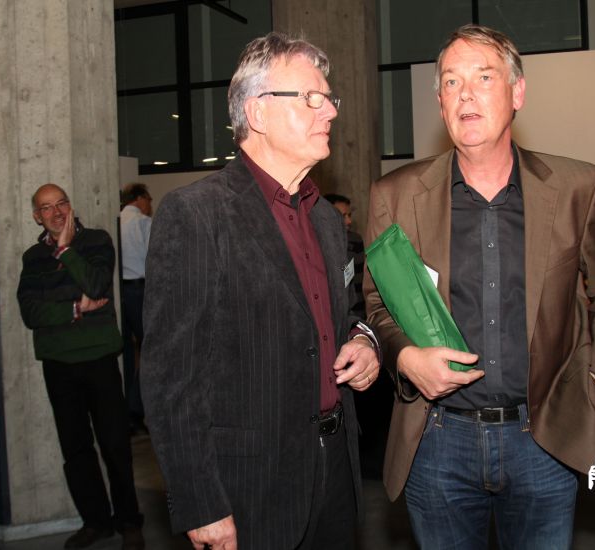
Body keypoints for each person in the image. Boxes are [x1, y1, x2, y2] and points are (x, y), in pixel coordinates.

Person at [363, 24, 595, 548]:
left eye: (484, 77)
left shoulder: (576, 188)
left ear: (517, 93)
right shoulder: (395, 196)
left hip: (545, 440)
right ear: (440, 102)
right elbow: (379, 304)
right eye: (451, 81)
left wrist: (593, 378)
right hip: (437, 443)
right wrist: (405, 358)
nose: (465, 93)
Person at [141, 32, 380, 550]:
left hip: (337, 472)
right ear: (258, 112)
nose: (330, 112)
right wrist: (201, 503)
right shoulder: (197, 215)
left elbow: (347, 314)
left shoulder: (325, 219)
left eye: (329, 99)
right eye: (312, 98)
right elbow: (170, 379)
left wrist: (364, 341)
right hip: (250, 487)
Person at [17, 183, 144, 550]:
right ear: (36, 216)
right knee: (75, 450)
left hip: (100, 359)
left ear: (70, 207)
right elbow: (30, 312)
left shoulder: (98, 241)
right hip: (58, 365)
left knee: (115, 445)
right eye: (46, 207)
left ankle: (129, 521)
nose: (56, 212)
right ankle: (96, 522)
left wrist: (66, 250)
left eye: (61, 204)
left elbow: (98, 283)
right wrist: (75, 307)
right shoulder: (32, 258)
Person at [119, 183, 152, 435]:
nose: (150, 204)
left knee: (127, 353)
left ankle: (125, 408)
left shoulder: (116, 220)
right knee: (150, 350)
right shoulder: (142, 222)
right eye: (148, 199)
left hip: (120, 291)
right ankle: (135, 408)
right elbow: (154, 257)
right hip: (140, 291)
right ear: (139, 198)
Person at [324, 194, 365, 318]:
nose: (349, 221)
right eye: (343, 216)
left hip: (357, 314)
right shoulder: (316, 243)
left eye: (349, 215)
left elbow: (360, 283)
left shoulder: (355, 241)